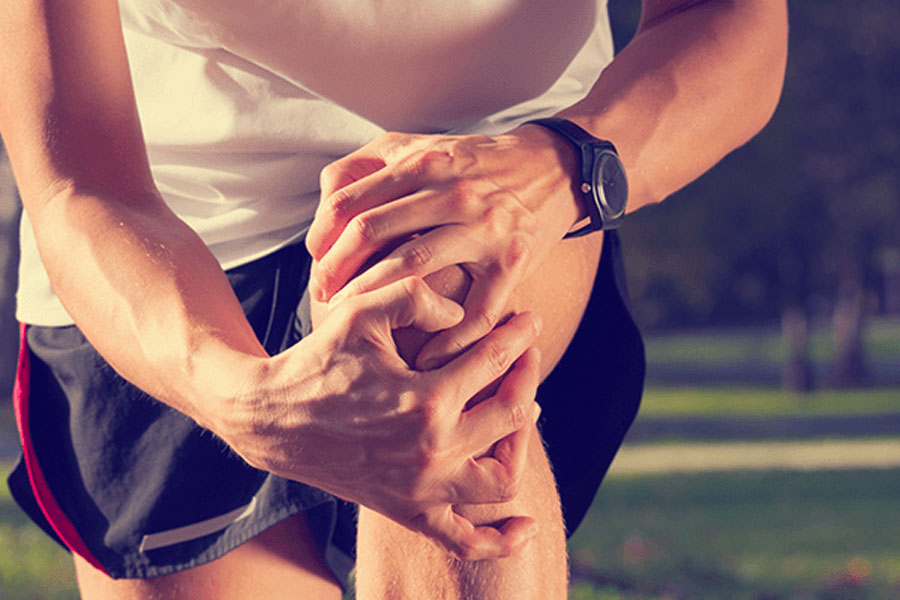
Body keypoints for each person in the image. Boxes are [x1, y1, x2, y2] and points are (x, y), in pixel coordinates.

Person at [0, 0, 788, 598]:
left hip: (502, 167)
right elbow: (78, 178)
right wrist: (239, 401)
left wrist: (566, 164)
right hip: (168, 238)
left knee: (432, 309)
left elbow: (731, 25)